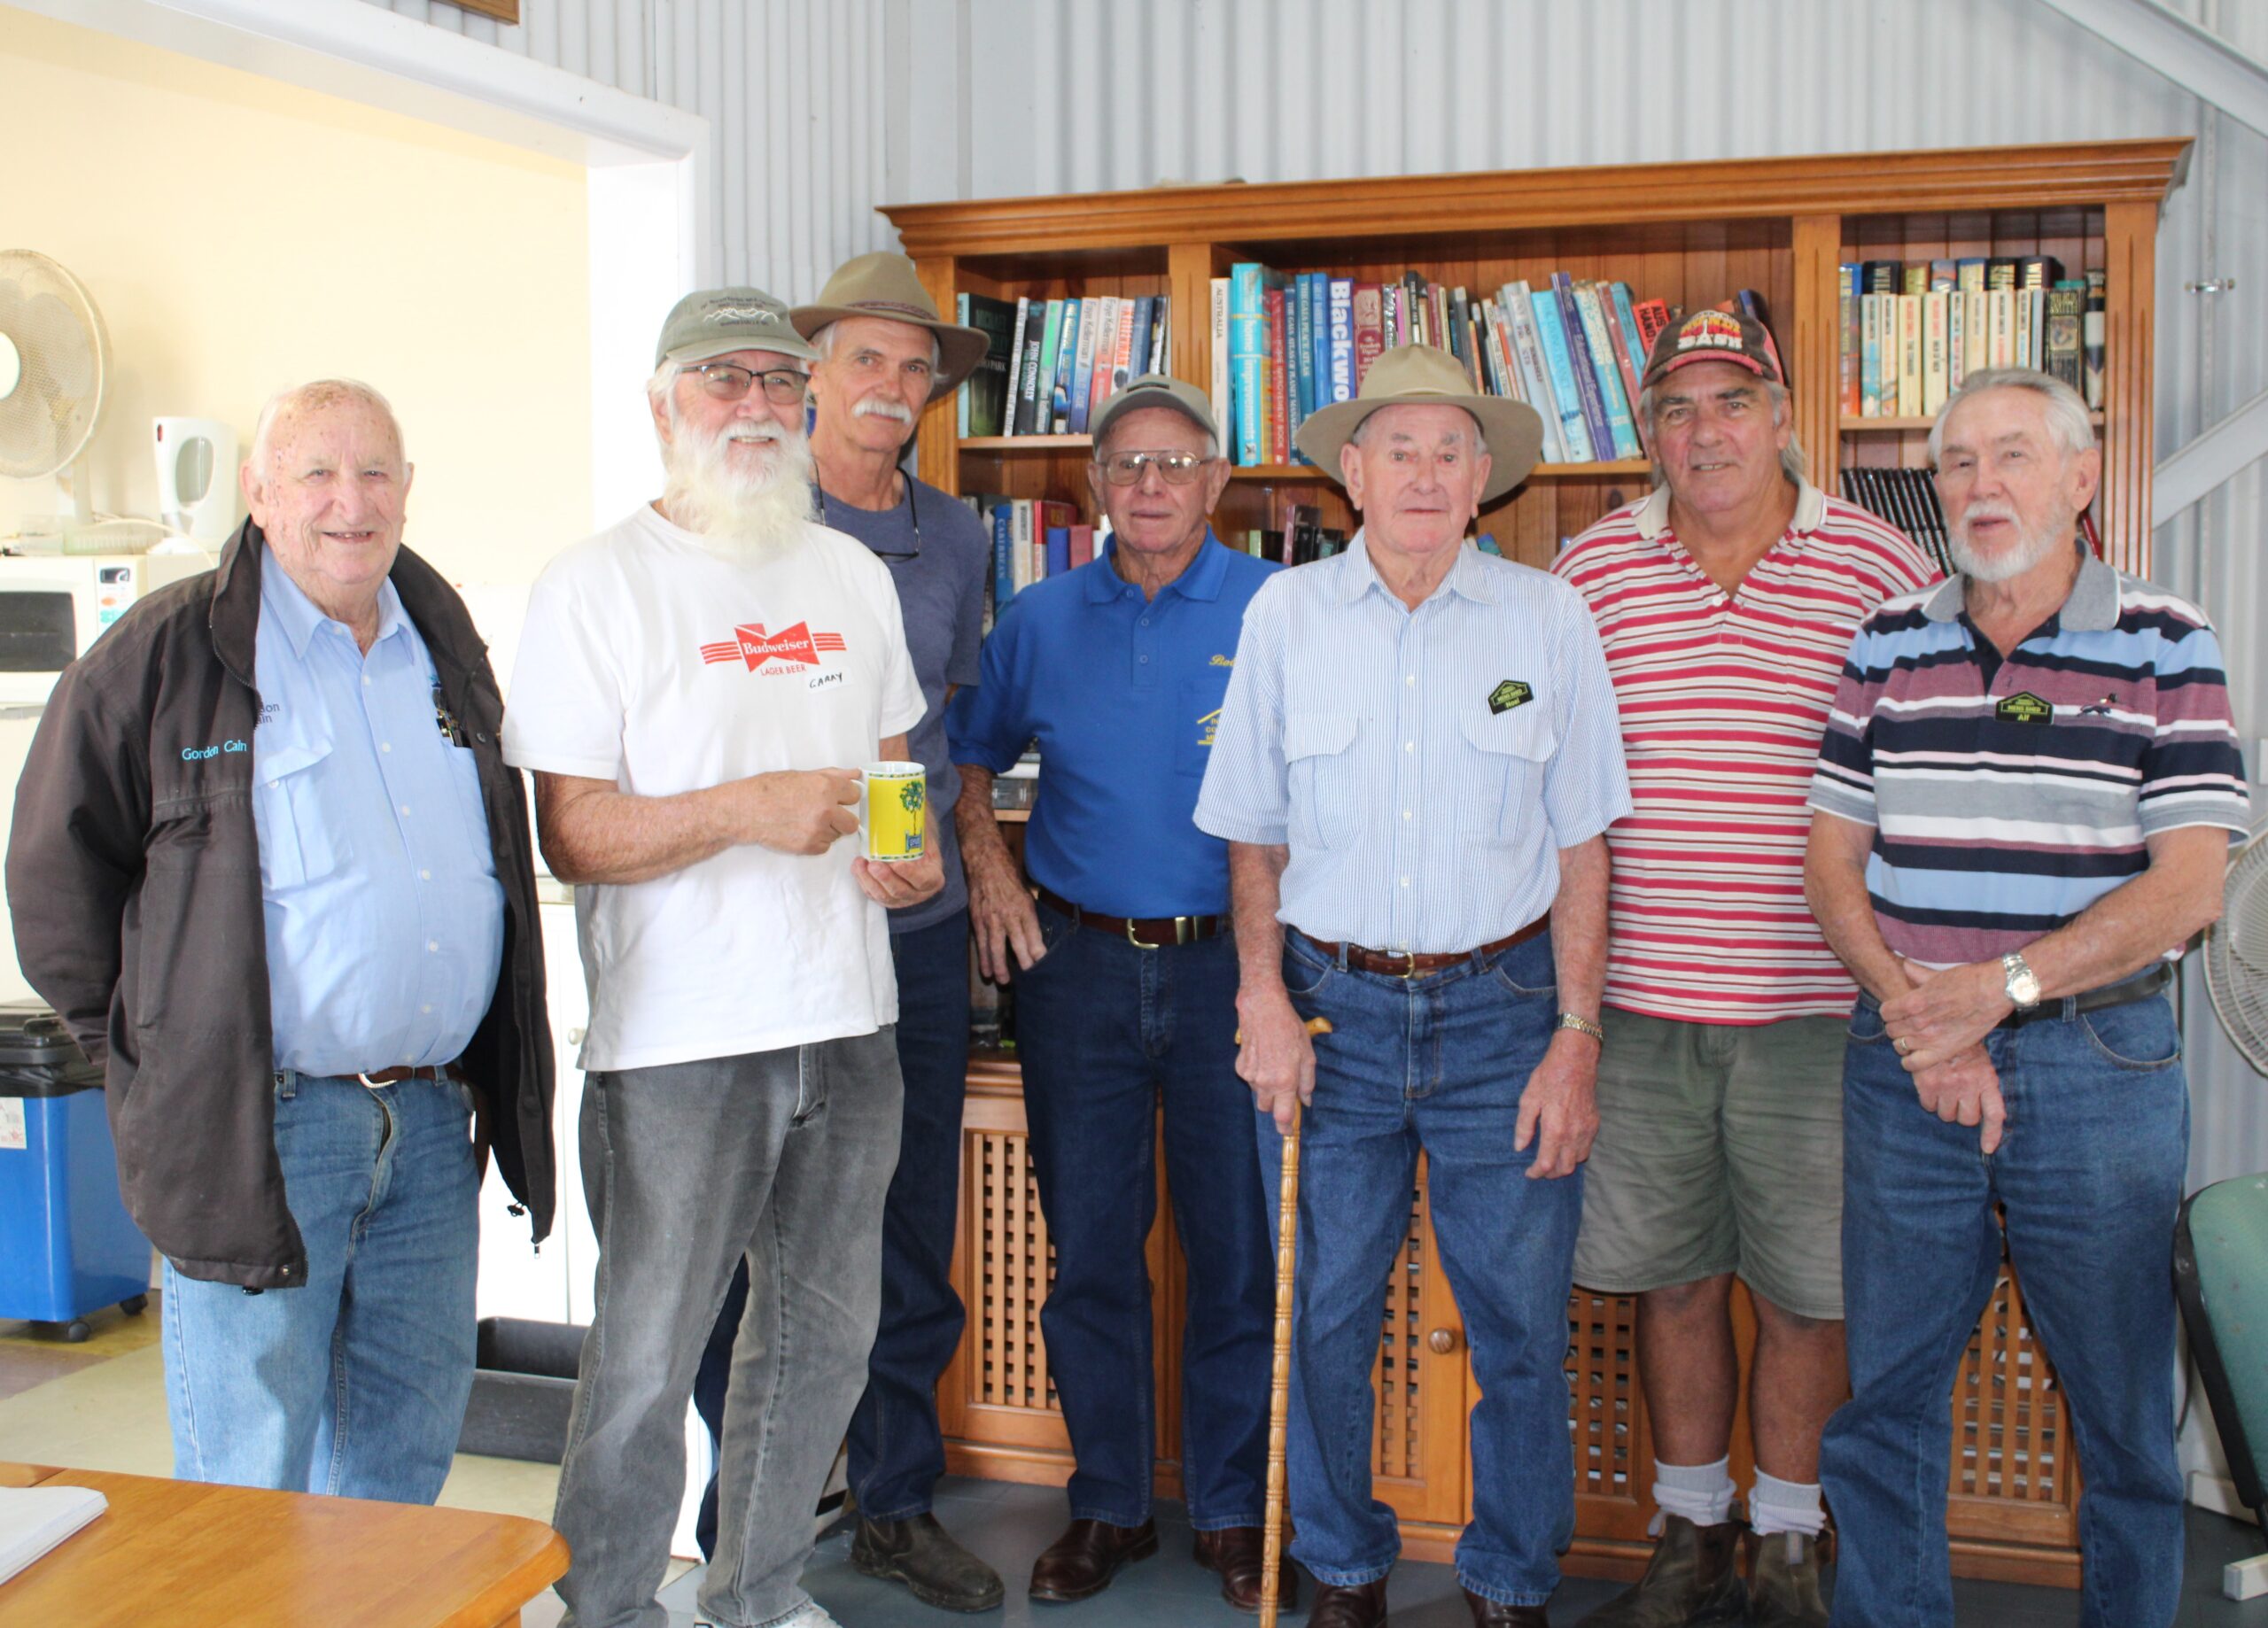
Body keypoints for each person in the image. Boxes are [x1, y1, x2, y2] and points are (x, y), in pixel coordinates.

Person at [6, 378, 555, 1500]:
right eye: (315, 472)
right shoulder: (160, 660)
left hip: (436, 1120)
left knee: (404, 1448)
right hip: (264, 1124)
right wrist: (159, 1052)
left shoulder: (445, 647)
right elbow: (55, 881)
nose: (348, 502)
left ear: (407, 491)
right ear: (257, 494)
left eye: (373, 473)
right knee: (250, 1470)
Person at [506, 288, 942, 1628]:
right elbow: (571, 831)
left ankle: (755, 1594)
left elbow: (893, 777)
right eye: (720, 380)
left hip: (849, 1023)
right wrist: (743, 810)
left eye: (772, 379)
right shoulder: (594, 583)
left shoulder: (851, 577)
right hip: (677, 1044)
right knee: (643, 1356)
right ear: (662, 407)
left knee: (821, 1340)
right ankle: (611, 1607)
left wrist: (908, 851)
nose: (753, 404)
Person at [1806, 368, 2249, 1628]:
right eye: (1958, 461)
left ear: (2081, 476)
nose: (1981, 485)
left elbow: (2190, 891)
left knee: (2120, 1408)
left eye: (2012, 454)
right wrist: (1919, 1013)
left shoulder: (2168, 639)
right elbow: (1831, 861)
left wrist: (1997, 992)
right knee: (1883, 1401)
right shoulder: (1888, 637)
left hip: (2095, 1061)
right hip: (1905, 1063)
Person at [1197, 345, 1631, 1628]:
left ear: (1485, 475)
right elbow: (1253, 834)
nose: (1427, 473)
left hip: (1503, 1018)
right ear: (1353, 471)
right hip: (1330, 1018)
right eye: (1402, 449)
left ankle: (1509, 1579)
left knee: (1518, 1326)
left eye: (1451, 451)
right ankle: (1340, 1567)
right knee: (1322, 1316)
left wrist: (1577, 1037)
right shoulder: (1283, 616)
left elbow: (1584, 842)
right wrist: (1261, 1001)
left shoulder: (1547, 618)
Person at [1552, 310, 1936, 1628]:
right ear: (1646, 426)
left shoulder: (1881, 566)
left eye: (1733, 400)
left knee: (1807, 1290)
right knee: (1672, 1277)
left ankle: (1786, 1541)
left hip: (1818, 1015)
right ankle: (1689, 1528)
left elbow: (1922, 786)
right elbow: (1555, 788)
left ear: (1783, 414)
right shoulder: (1591, 569)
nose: (1705, 430)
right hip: (1641, 1008)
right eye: (1677, 405)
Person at [680, 252, 997, 1609]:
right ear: (812, 377)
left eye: (916, 367)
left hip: (902, 927)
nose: (894, 387)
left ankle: (894, 1497)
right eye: (868, 359)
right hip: (743, 938)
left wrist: (947, 850)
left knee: (903, 1225)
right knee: (735, 1230)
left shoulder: (961, 539)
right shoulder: (733, 518)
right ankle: (735, 1500)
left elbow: (935, 736)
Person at [947, 375, 1289, 1612]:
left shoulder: (1280, 607)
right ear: (1095, 485)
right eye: (1127, 464)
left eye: (1175, 463)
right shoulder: (1037, 617)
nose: (1151, 486)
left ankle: (1237, 1507)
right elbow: (967, 756)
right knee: (1089, 1252)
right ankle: (1106, 1504)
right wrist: (990, 863)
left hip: (1232, 976)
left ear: (1217, 482)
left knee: (1237, 1257)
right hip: (1075, 972)